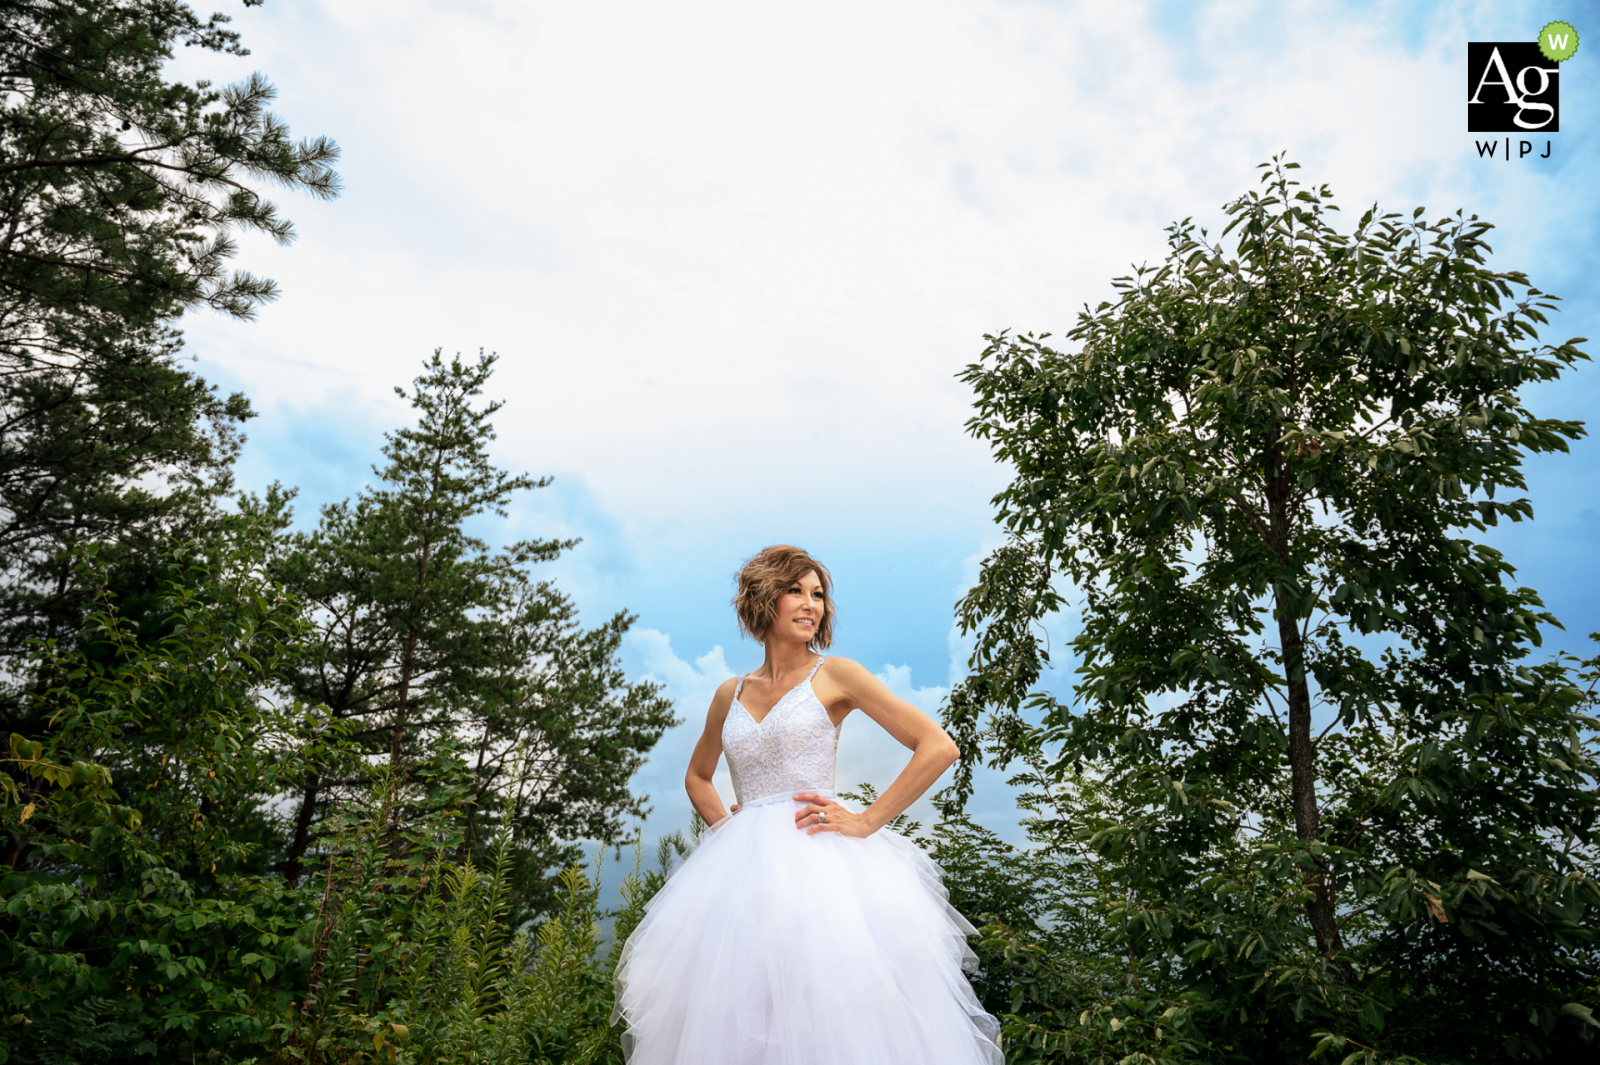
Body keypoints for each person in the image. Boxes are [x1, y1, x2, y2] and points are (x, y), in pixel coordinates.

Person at [611, 545, 1003, 1064]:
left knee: (831, 1009)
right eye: (795, 590)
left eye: (818, 594)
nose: (810, 604)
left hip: (821, 867)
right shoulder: (729, 693)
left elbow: (938, 747)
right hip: (739, 879)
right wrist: (730, 833)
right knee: (735, 1012)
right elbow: (698, 776)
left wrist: (865, 821)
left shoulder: (836, 674)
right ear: (762, 599)